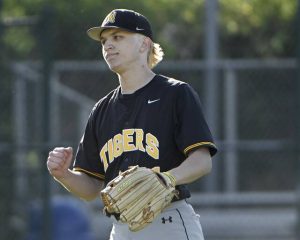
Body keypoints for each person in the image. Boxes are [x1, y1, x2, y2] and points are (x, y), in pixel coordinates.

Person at [47, 9, 217, 240]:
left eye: (118, 37)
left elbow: (202, 161)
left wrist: (167, 178)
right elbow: (92, 188)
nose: (108, 46)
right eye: (104, 41)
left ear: (144, 44)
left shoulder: (175, 94)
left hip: (168, 222)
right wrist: (64, 175)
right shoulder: (101, 110)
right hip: (121, 230)